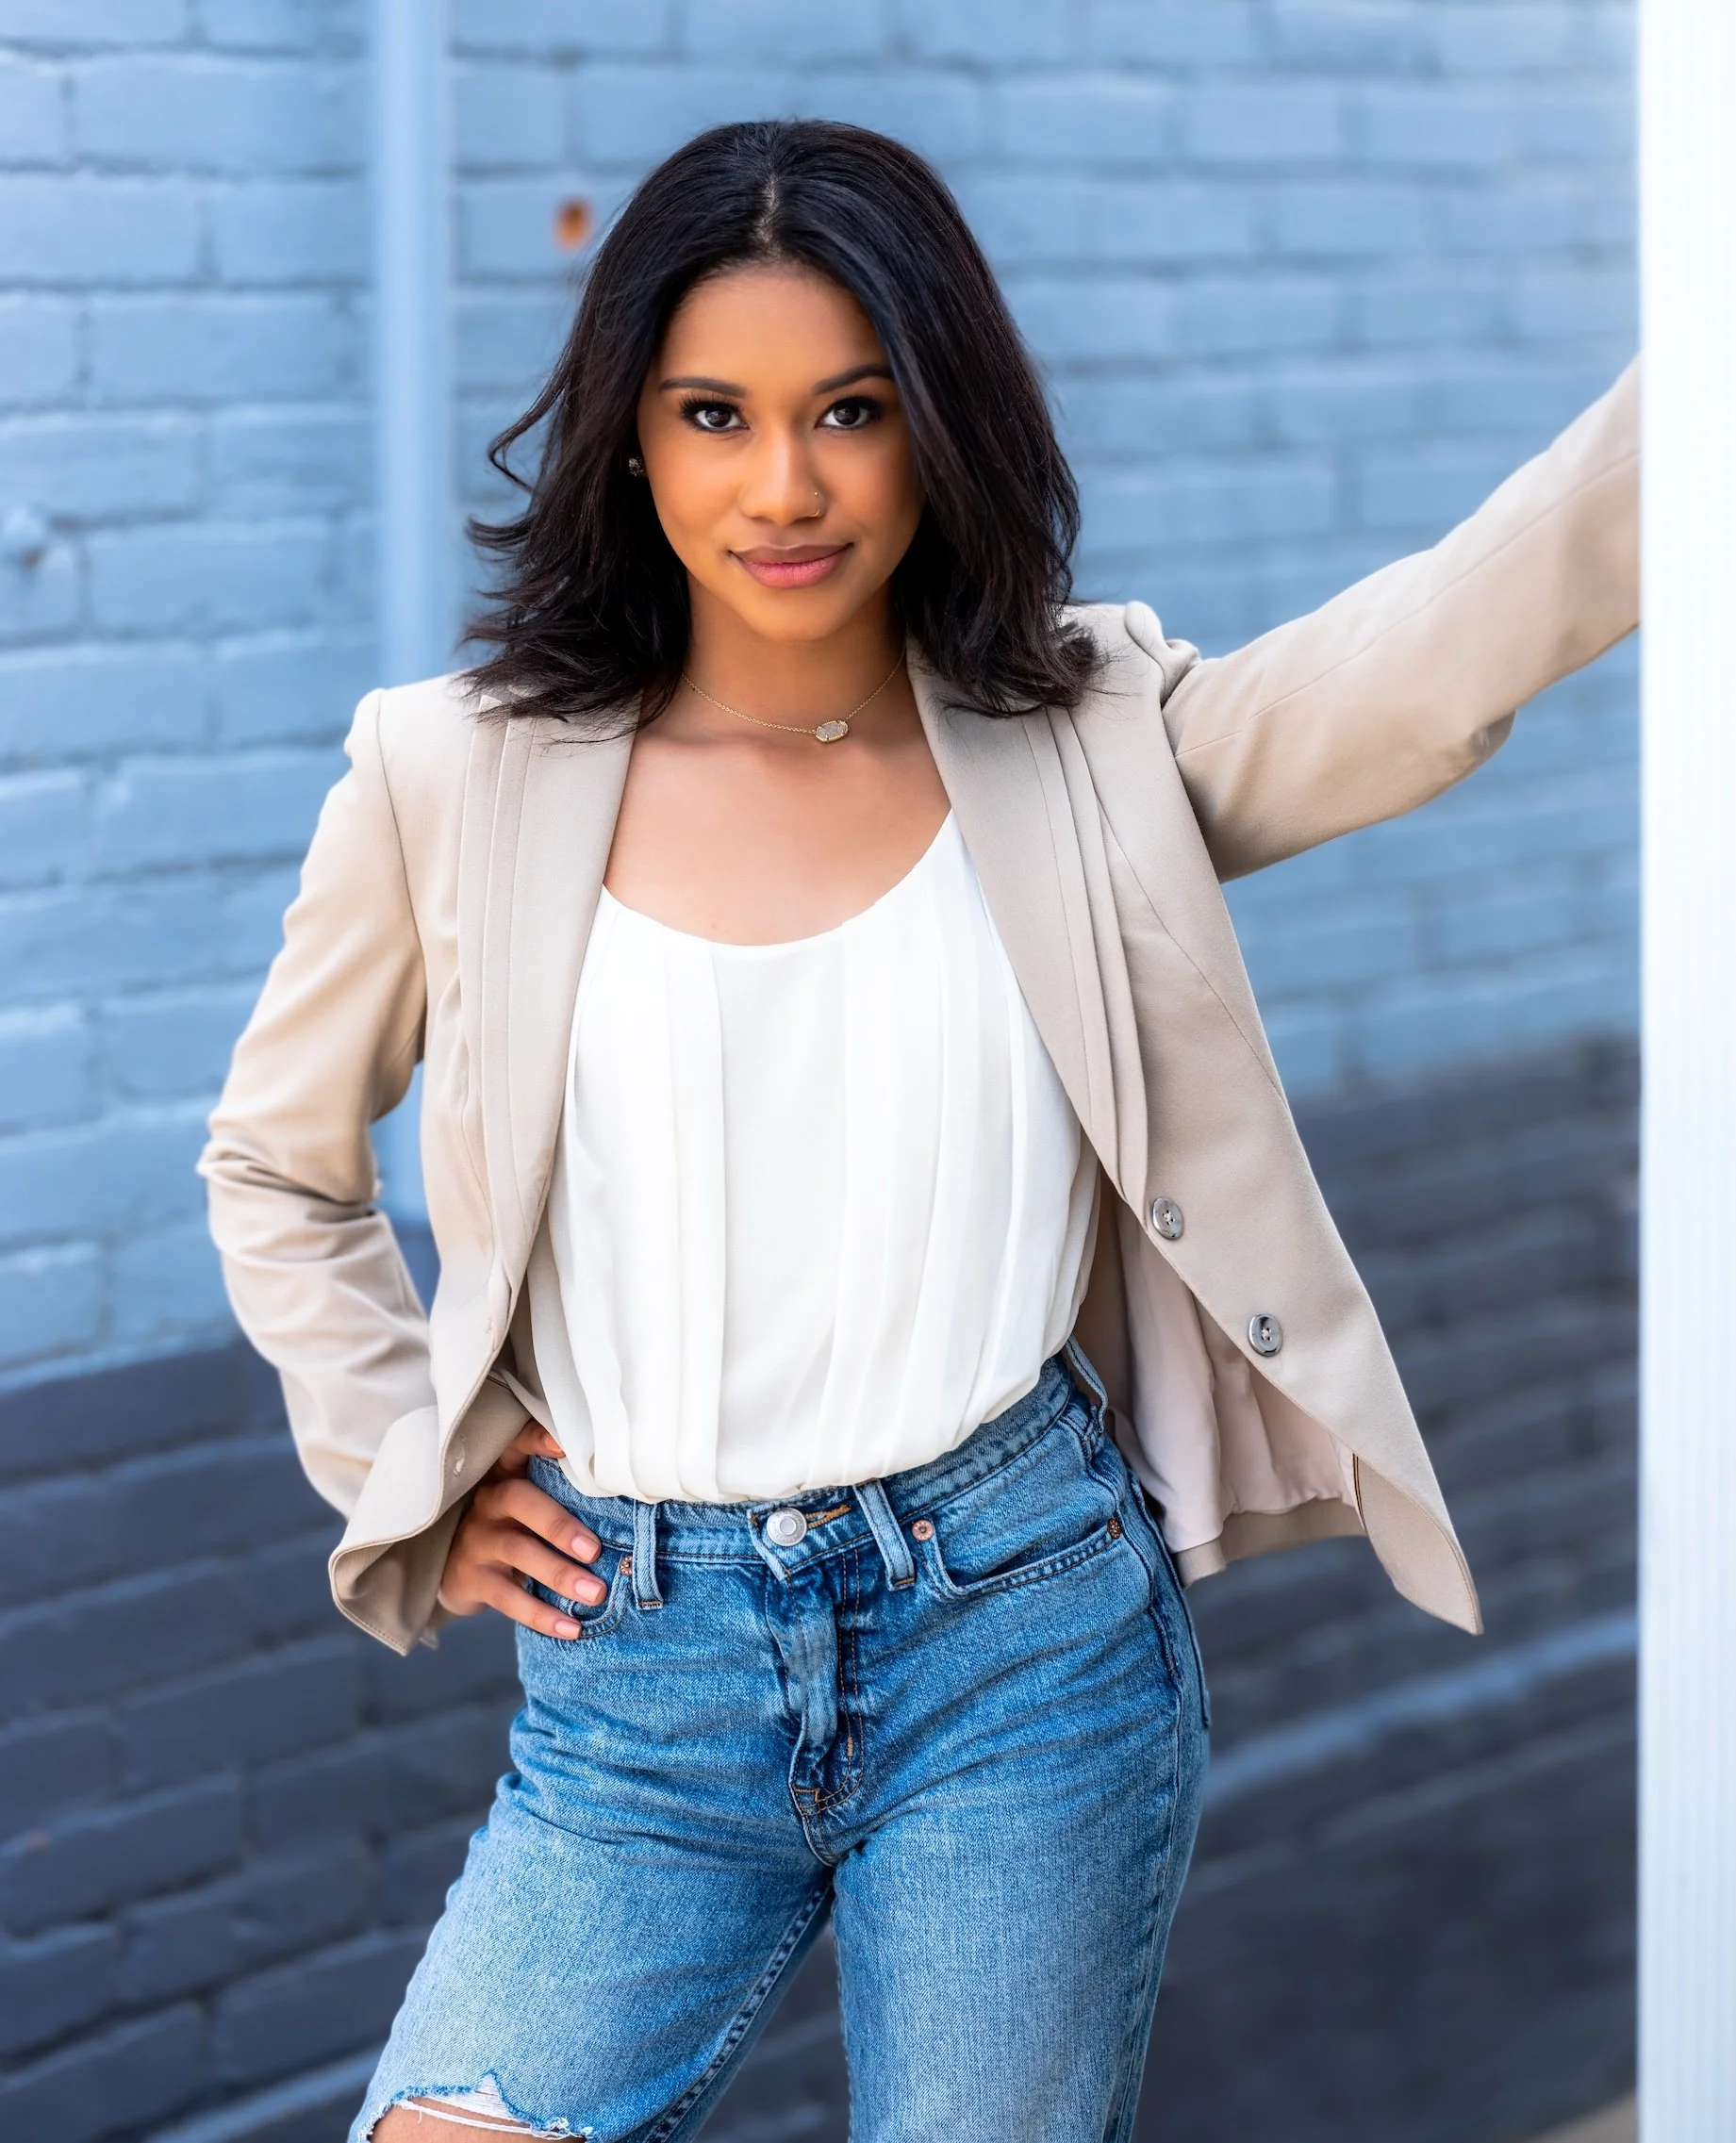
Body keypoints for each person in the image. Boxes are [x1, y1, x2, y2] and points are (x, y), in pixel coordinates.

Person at [200, 119, 1639, 2143]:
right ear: (629, 434)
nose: (779, 486)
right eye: (714, 414)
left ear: (934, 426)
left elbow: (1428, 661)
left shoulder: (1083, 743)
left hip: (1020, 1639)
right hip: (640, 1683)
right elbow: (274, 1159)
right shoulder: (451, 774)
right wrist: (394, 1457)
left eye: (848, 413)